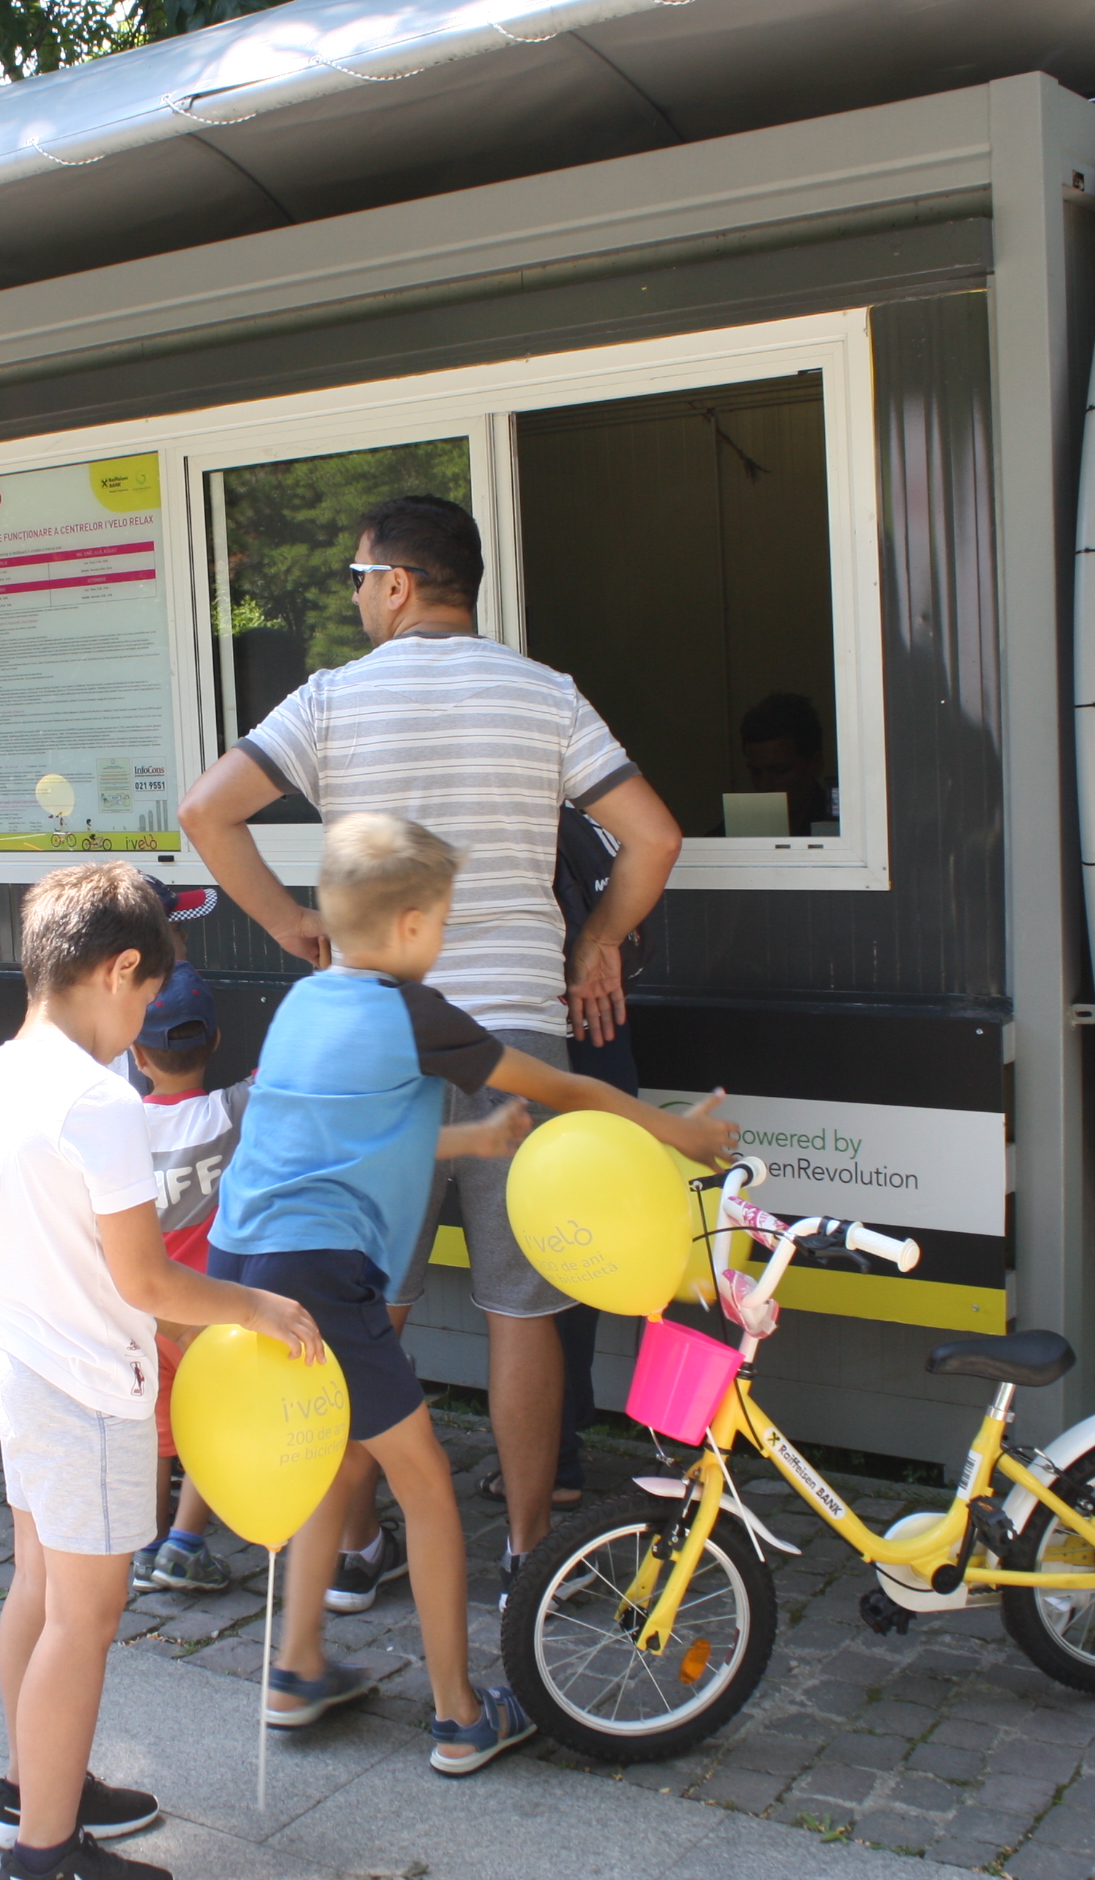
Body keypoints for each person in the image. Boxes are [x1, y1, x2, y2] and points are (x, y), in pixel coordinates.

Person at [177, 492, 725, 1597]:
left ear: (393, 583)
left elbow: (205, 811)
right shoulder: (545, 694)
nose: (354, 598)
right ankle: (528, 1553)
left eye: (356, 578)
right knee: (522, 1308)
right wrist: (593, 941)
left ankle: (354, 1549)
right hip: (514, 1025)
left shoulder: (330, 698)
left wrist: (290, 924)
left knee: (358, 1307)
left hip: (372, 1036)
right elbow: (655, 837)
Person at [210, 813, 722, 1772]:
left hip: (243, 1259)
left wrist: (473, 1139)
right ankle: (460, 1715)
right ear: (410, 926)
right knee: (427, 1486)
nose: (441, 938)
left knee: (330, 1456)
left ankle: (297, 1666)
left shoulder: (305, 1003)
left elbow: (341, 1140)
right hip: (320, 1273)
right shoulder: (414, 1013)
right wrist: (679, 1134)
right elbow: (567, 1090)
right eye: (442, 920)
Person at [0, 862, 325, 1880]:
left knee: (38, 1587)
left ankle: (34, 1789)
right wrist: (256, 1305)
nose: (145, 1019)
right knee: (85, 1617)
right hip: (83, 1380)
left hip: (16, 1350)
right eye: (149, 991)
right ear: (119, 969)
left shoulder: (4, 1071)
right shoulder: (98, 1102)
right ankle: (44, 1853)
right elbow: (147, 1279)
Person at [126, 960, 251, 1595]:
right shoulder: (232, 1112)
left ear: (137, 1055)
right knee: (213, 1426)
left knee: (158, 1434)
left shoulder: (119, 1129)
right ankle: (185, 1544)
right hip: (210, 1316)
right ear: (217, 1042)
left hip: (145, 1317)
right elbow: (281, 1075)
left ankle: (146, 1544)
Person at [736, 692, 833, 837]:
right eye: (755, 772)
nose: (765, 785)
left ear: (815, 763)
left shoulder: (842, 826)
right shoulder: (741, 828)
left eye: (779, 770)